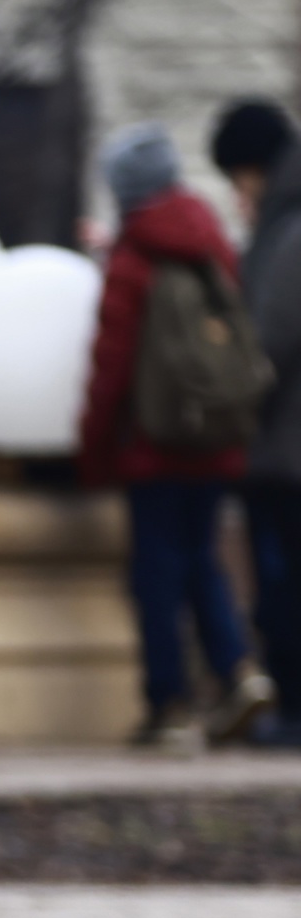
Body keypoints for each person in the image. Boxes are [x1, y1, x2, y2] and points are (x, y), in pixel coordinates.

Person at [77, 122, 278, 748]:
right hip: (218, 441)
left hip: (155, 447)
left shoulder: (135, 256)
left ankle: (170, 707)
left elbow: (112, 366)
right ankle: (237, 672)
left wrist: (94, 449)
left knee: (155, 577)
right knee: (204, 565)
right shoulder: (212, 240)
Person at [212, 98, 301, 745]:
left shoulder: (289, 231)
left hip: (284, 448)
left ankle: (293, 712)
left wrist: (228, 392)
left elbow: (268, 338)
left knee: (284, 587)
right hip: (281, 446)